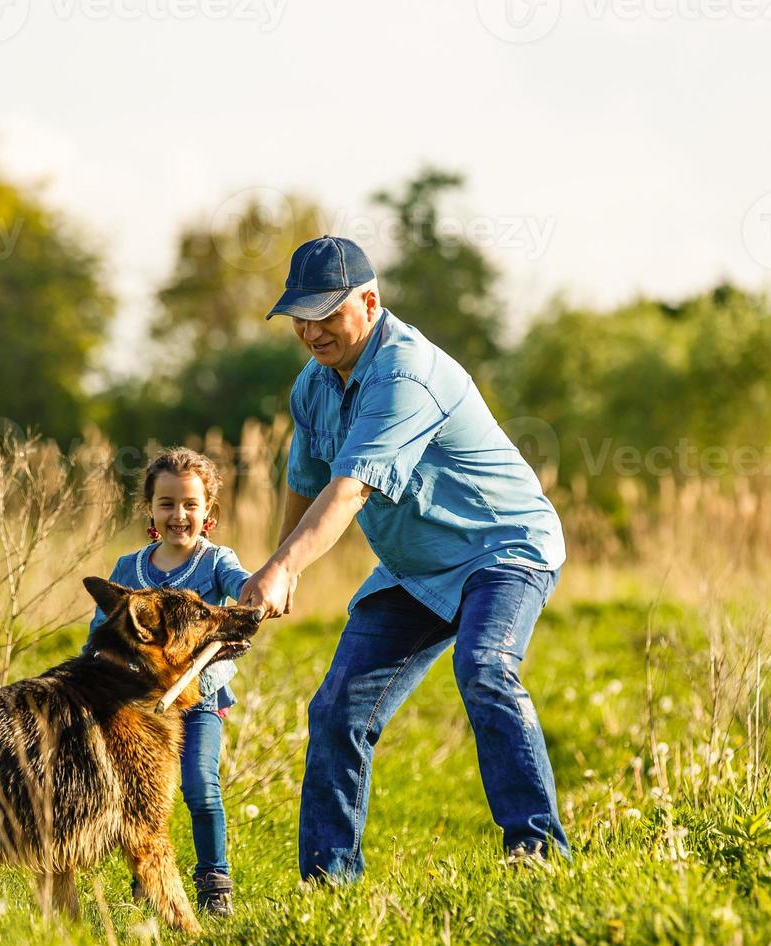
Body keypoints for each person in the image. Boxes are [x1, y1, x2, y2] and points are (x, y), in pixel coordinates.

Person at [239, 236, 569, 882]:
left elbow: (350, 489)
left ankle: (538, 858)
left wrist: (285, 569)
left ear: (368, 301)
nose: (310, 331)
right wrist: (282, 562)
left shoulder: (404, 375)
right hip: (415, 571)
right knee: (337, 709)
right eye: (300, 317)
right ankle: (329, 884)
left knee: (485, 668)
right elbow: (304, 482)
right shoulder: (313, 387)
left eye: (326, 314)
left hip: (502, 548)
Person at [86, 447, 251, 915]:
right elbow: (101, 637)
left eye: (191, 505)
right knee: (142, 792)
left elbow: (241, 585)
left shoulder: (217, 561)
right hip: (137, 706)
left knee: (200, 785)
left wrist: (254, 591)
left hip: (198, 699)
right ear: (151, 510)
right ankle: (148, 878)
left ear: (208, 511)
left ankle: (214, 881)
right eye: (167, 504)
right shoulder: (129, 568)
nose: (179, 515)